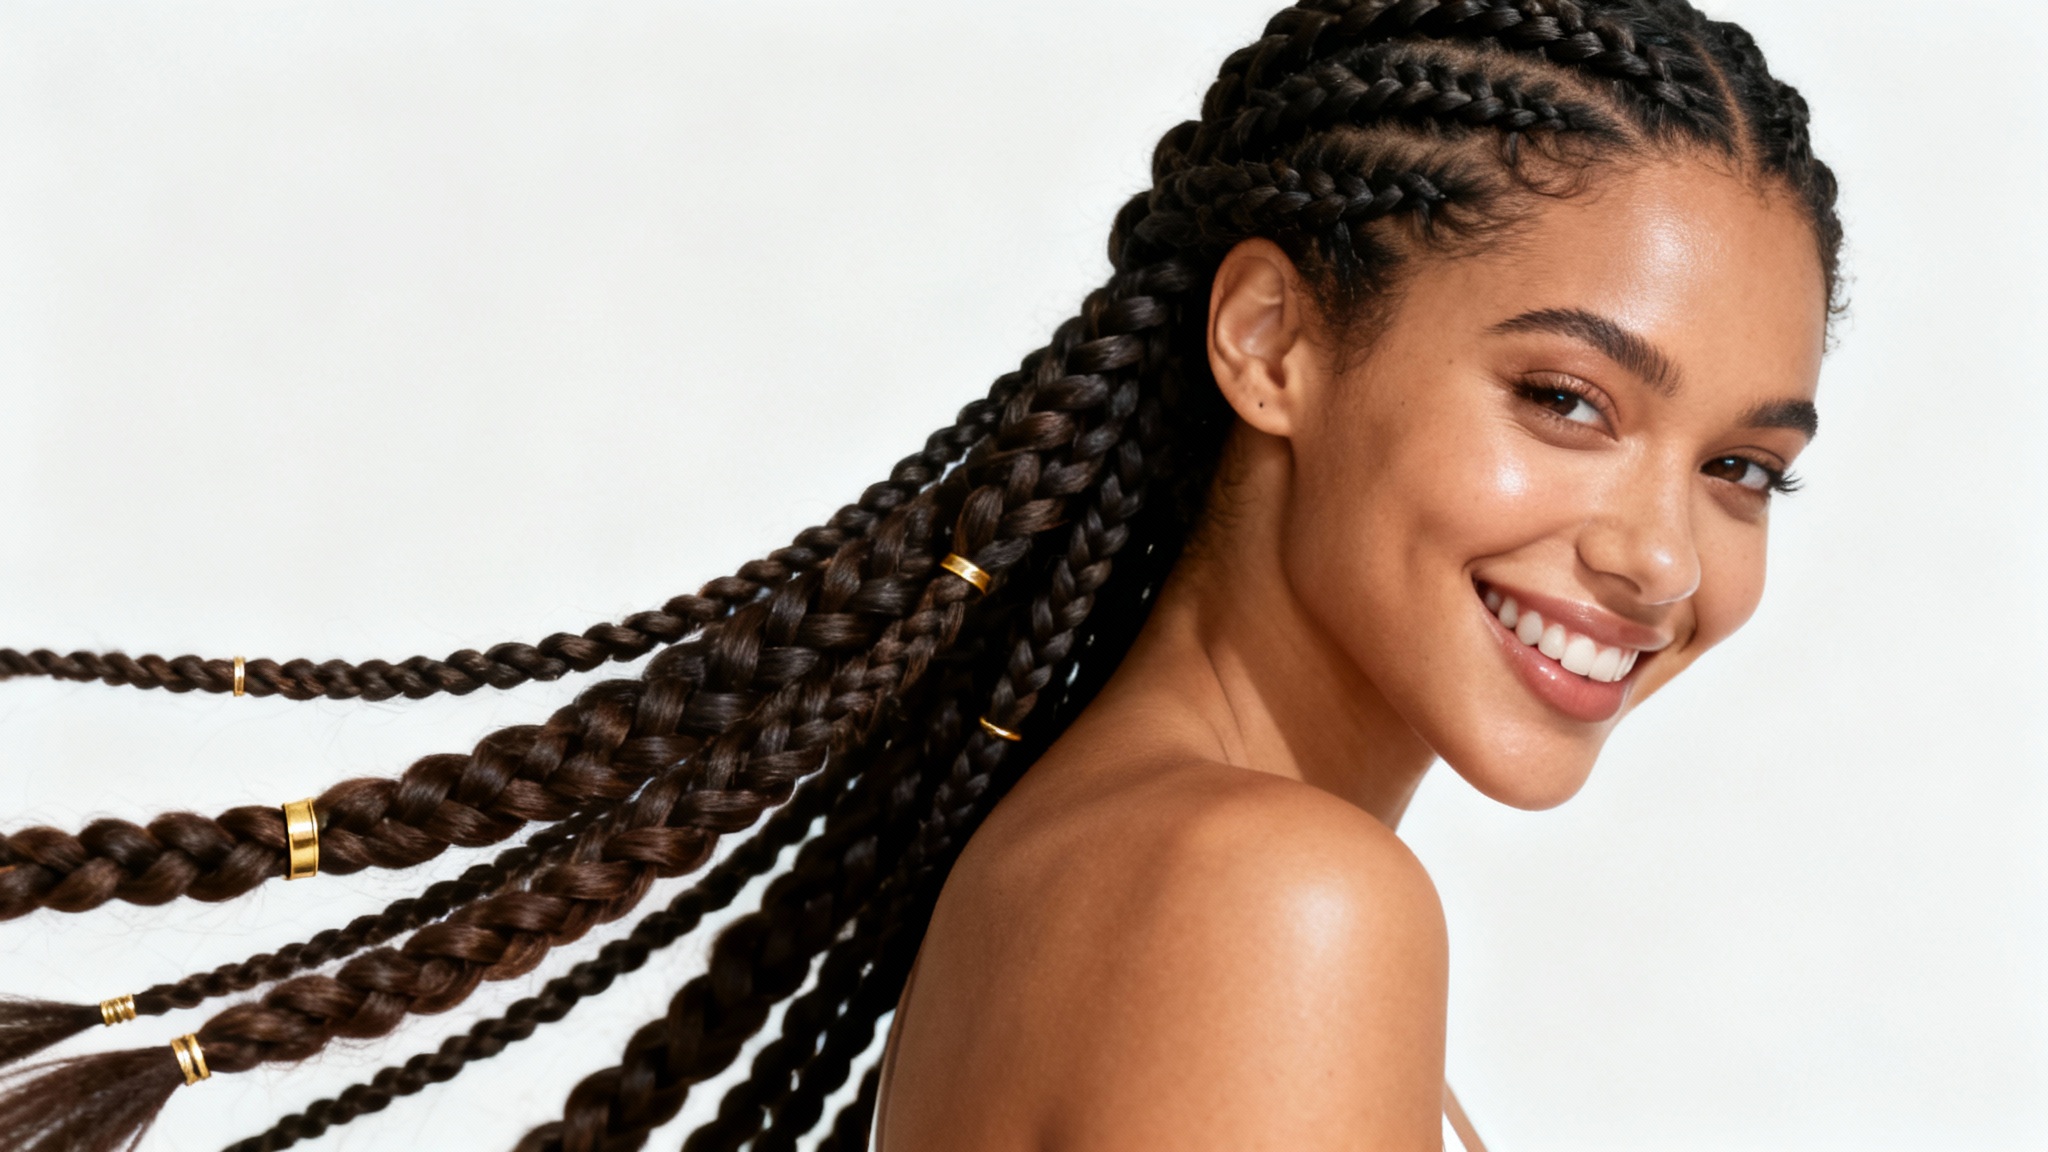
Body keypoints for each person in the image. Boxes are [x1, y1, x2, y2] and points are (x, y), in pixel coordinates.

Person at [0, 2, 1839, 1150]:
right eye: (1567, 399)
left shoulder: (1092, 852)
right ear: (1274, 341)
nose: (1663, 554)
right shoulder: (1274, 901)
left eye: (1743, 468)